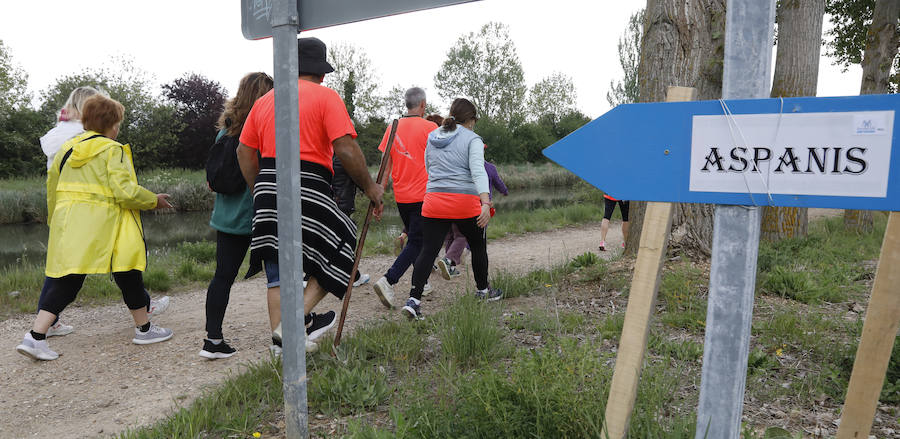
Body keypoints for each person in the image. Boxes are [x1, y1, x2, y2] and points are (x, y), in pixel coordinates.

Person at [236, 37, 384, 354]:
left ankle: (282, 345)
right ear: (322, 72)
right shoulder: (326, 97)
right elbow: (345, 148)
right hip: (307, 181)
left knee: (277, 262)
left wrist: (257, 189)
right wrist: (370, 188)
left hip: (267, 183)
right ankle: (293, 323)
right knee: (344, 240)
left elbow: (244, 152)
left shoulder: (266, 101)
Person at [16, 95, 175, 361]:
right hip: (106, 225)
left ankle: (35, 336)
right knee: (128, 270)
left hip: (69, 223)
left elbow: (52, 189)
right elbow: (124, 192)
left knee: (67, 280)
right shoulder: (112, 150)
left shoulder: (67, 149)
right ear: (112, 125)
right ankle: (144, 330)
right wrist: (153, 200)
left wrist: (55, 222)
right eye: (118, 124)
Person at [402, 98, 502, 320]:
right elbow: (478, 171)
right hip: (464, 202)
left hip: (434, 200)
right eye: (475, 121)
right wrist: (485, 203)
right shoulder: (473, 139)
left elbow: (428, 167)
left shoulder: (433, 136)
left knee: (428, 250)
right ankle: (483, 291)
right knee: (478, 244)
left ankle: (413, 301)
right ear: (471, 120)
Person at [198, 72, 273, 360]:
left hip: (226, 218)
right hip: (256, 214)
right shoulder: (261, 131)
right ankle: (291, 331)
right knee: (281, 275)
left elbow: (212, 179)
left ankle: (213, 340)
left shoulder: (224, 131)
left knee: (222, 277)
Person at [372, 87, 438, 308]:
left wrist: (378, 197)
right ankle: (388, 280)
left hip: (402, 197)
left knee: (417, 239)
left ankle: (423, 282)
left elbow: (385, 166)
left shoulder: (392, 127)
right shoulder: (431, 128)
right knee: (418, 241)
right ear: (423, 105)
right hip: (424, 195)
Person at [437, 157, 508, 280]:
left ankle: (451, 266)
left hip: (452, 203)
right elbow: (498, 183)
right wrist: (505, 191)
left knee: (452, 235)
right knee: (472, 236)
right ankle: (455, 257)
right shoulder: (489, 167)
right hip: (477, 206)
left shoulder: (459, 165)